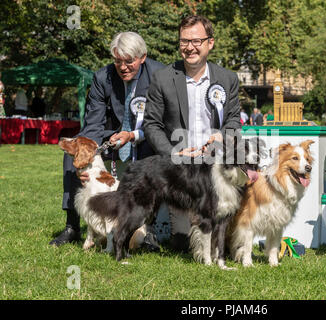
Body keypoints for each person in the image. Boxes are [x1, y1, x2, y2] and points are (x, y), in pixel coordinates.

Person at [49, 31, 164, 247]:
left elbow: (164, 121)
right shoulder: (102, 77)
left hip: (146, 139)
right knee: (70, 156)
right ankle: (72, 226)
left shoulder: (159, 75)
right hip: (110, 141)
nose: (122, 67)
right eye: (117, 61)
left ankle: (149, 230)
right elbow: (92, 124)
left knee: (158, 148)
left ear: (143, 57)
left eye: (129, 61)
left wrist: (134, 135)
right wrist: (83, 161)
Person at [143, 15, 242, 249]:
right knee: (182, 244)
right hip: (181, 171)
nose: (190, 47)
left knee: (219, 243)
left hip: (215, 168)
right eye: (184, 41)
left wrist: (223, 137)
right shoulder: (162, 78)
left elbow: (234, 120)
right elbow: (151, 123)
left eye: (196, 41)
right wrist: (173, 153)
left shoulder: (228, 79)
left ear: (210, 43)